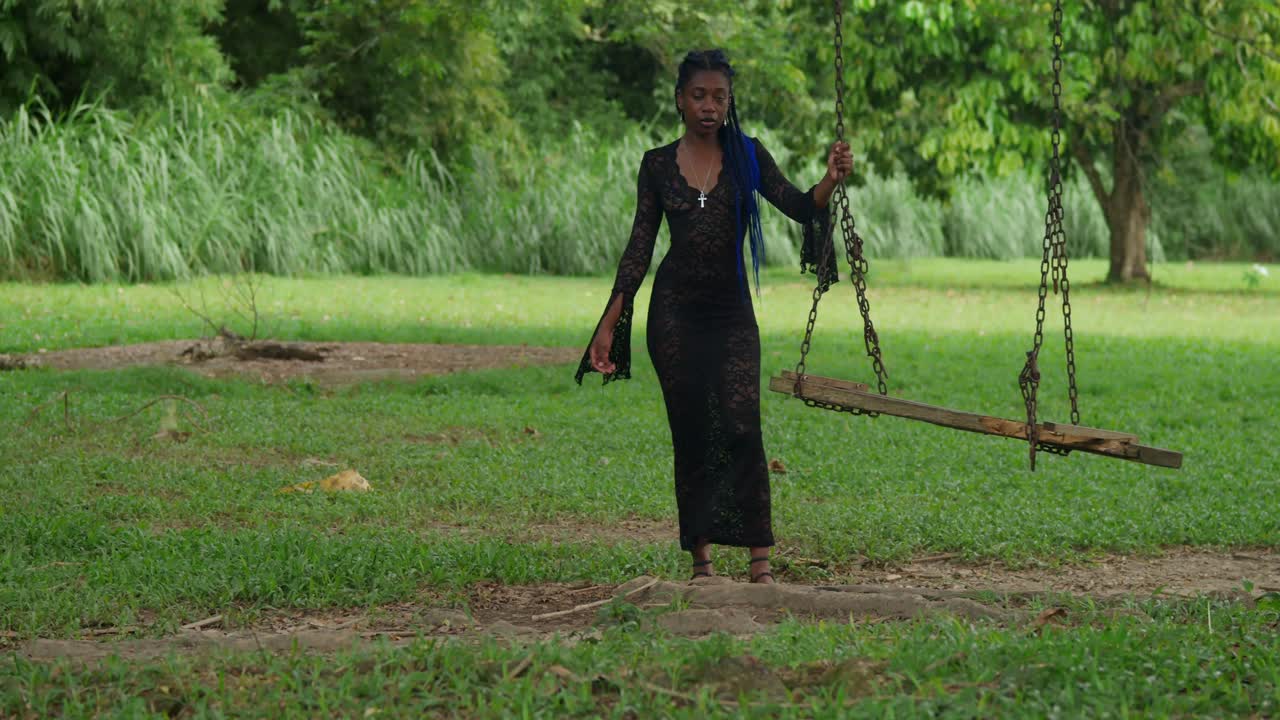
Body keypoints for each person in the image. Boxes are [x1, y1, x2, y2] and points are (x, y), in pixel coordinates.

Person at [575, 49, 852, 584]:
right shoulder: (657, 165)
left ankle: (760, 563)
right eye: (699, 96)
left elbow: (800, 205)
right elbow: (639, 249)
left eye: (719, 97)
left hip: (730, 313)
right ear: (680, 100)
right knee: (693, 432)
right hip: (674, 314)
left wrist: (831, 179)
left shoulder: (747, 155)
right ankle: (702, 563)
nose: (709, 106)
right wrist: (609, 322)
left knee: (743, 424)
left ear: (729, 102)